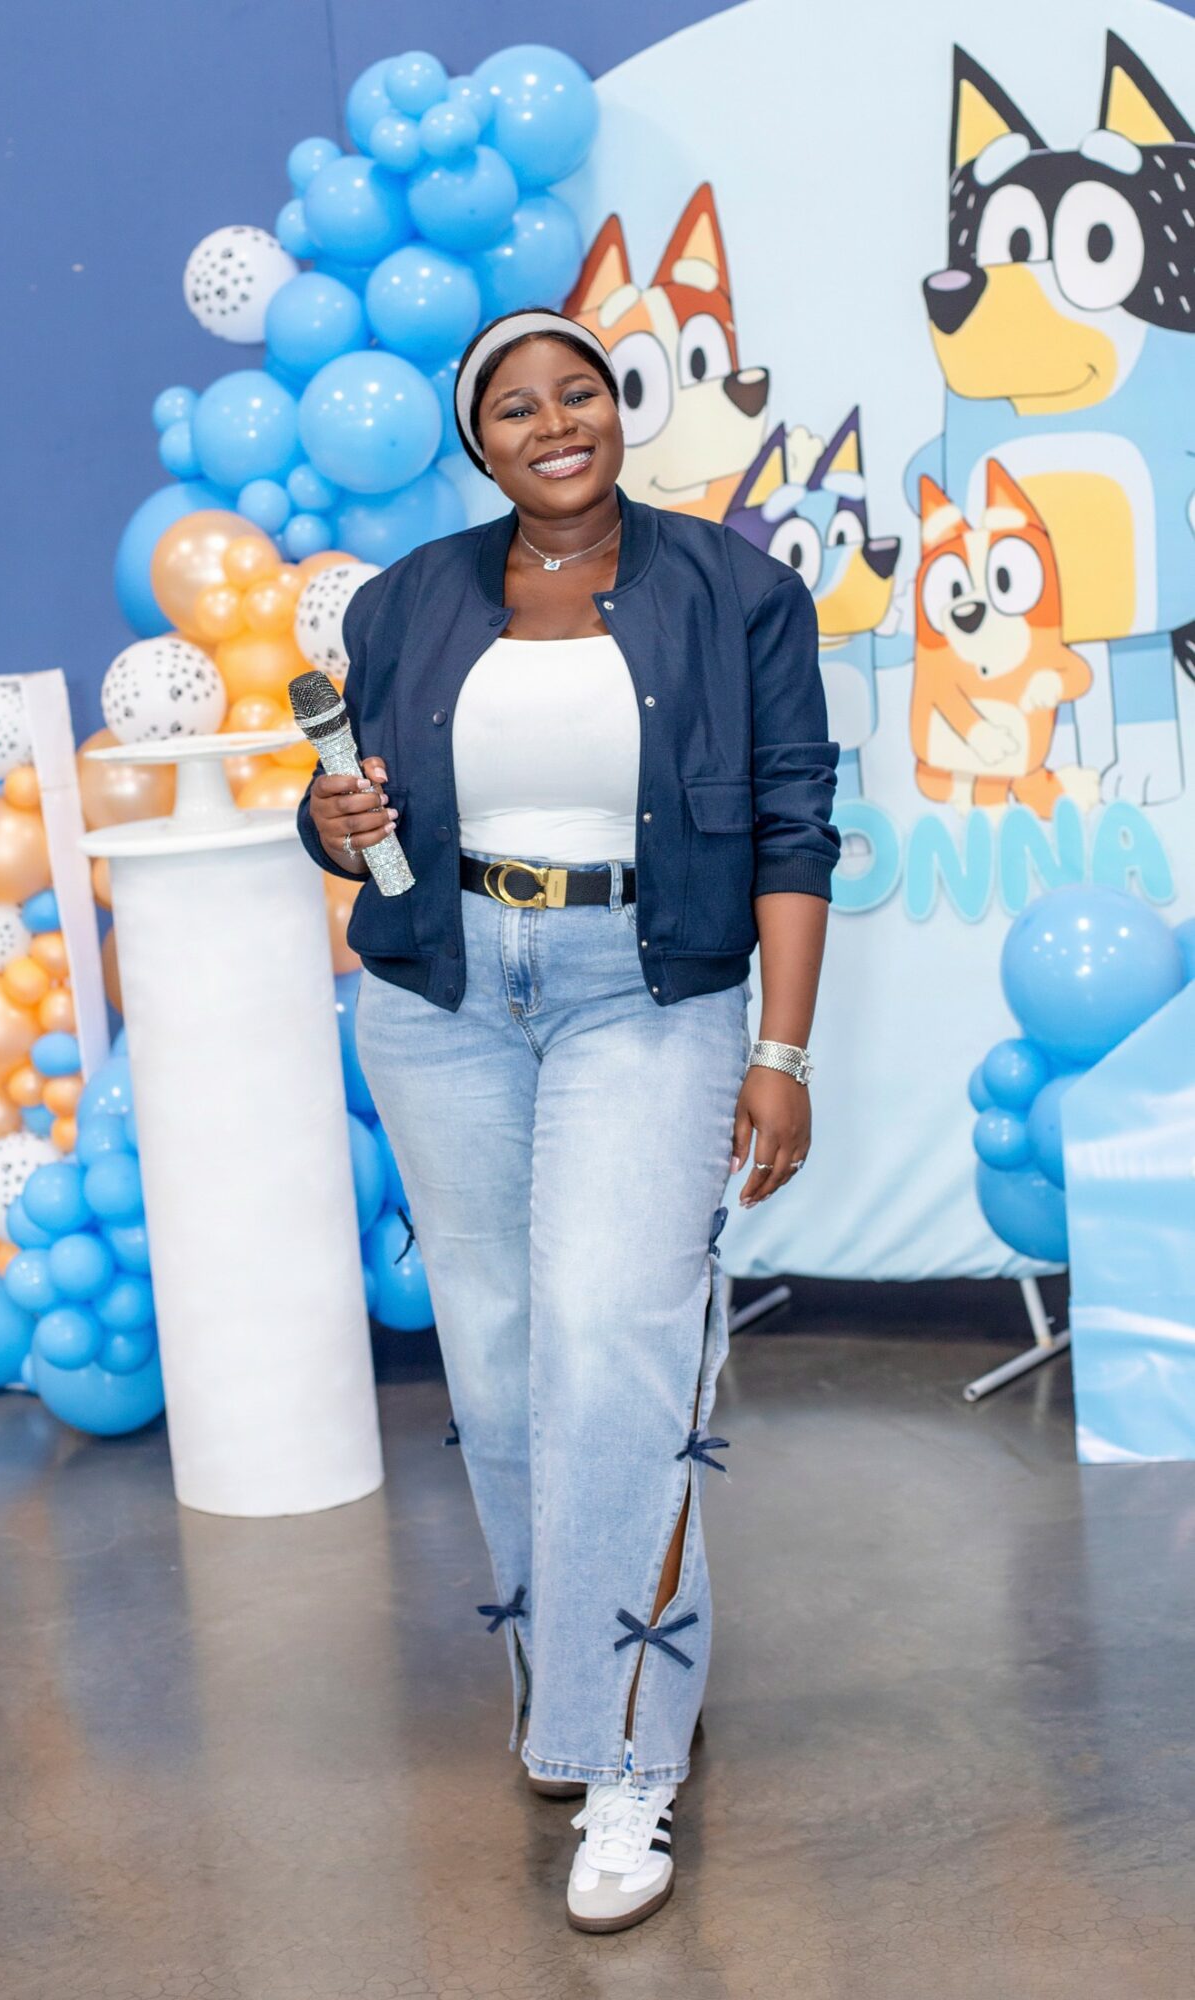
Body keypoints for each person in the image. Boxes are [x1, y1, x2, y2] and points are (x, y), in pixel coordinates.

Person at [297, 305, 840, 1932]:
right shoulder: (406, 604)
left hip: (647, 987)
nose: (554, 423)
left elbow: (797, 826)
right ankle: (569, 1667)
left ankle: (625, 1751)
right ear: (480, 443)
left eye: (579, 393)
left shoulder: (737, 592)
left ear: (618, 409)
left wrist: (784, 1054)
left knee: (612, 1332)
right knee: (502, 1349)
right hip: (441, 994)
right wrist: (331, 820)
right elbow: (353, 821)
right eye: (516, 407)